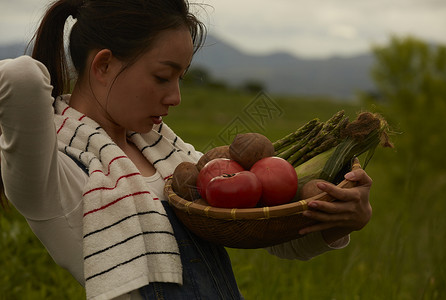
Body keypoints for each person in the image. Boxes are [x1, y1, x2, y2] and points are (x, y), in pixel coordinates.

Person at [0, 0, 373, 299]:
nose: (175, 97)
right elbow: (21, 78)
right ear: (104, 64)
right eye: (163, 76)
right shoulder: (52, 168)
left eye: (181, 78)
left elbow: (263, 233)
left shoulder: (163, 150)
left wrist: (336, 222)